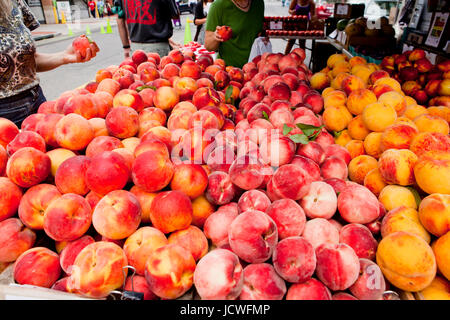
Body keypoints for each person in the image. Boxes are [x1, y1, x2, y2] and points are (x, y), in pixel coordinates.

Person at [0, 0, 98, 127]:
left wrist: (64, 57)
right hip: (5, 117)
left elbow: (26, 60)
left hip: (37, 101)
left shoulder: (15, 2)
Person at [204, 0, 265, 68]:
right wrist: (216, 37)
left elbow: (256, 32)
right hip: (228, 71)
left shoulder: (259, 3)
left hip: (254, 69)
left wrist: (263, 37)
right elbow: (209, 46)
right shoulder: (218, 6)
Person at [116, 0, 182, 58]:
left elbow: (120, 20)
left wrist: (126, 47)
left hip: (135, 49)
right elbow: (175, 15)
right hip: (158, 49)